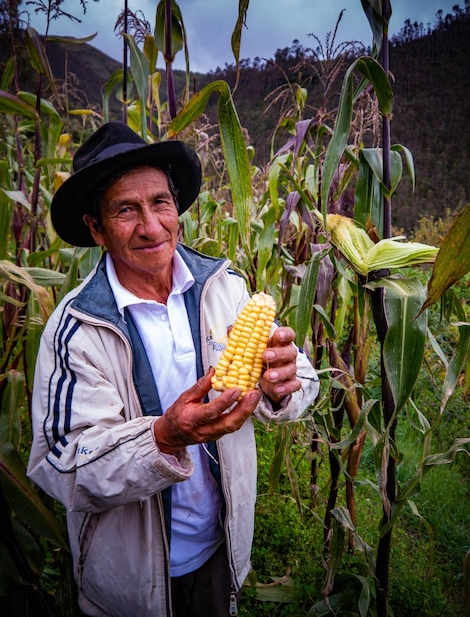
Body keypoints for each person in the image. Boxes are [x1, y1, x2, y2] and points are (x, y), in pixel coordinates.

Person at [27, 121, 320, 617]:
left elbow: (302, 379)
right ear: (96, 228)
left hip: (220, 554)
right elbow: (62, 465)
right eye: (126, 209)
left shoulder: (223, 287)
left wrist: (284, 386)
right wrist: (163, 437)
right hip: (128, 586)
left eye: (160, 202)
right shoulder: (76, 329)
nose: (151, 225)